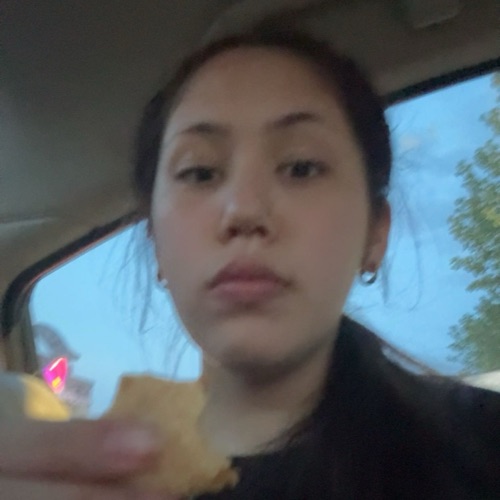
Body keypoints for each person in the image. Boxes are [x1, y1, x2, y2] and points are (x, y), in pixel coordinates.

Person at [0, 27, 499, 500]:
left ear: (375, 233)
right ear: (155, 243)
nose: (243, 210)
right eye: (199, 172)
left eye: (301, 167)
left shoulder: (481, 448)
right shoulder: (87, 477)